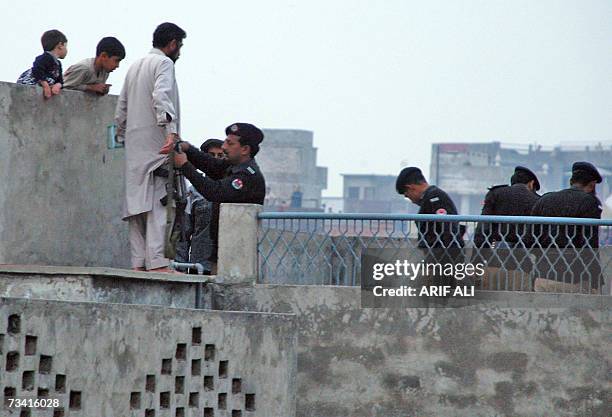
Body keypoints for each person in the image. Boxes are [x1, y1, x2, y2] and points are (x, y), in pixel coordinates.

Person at [114, 22, 186, 272]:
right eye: (180, 46)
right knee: (159, 201)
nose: (180, 52)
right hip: (157, 146)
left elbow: (120, 109)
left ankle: (138, 262)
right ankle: (157, 262)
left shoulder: (135, 66)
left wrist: (123, 137)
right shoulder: (164, 63)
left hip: (135, 147)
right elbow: (161, 96)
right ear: (173, 43)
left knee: (136, 206)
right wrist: (171, 132)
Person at [173, 123, 266, 273]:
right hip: (222, 251)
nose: (224, 147)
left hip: (237, 255)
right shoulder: (233, 167)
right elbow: (211, 165)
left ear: (245, 149)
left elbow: (215, 192)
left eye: (230, 143)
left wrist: (184, 165)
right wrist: (188, 149)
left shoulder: (246, 176)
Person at [530, 162, 603, 293]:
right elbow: (589, 245)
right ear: (592, 185)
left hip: (543, 275)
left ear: (571, 180)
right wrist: (595, 280)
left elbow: (530, 238)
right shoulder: (589, 202)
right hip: (575, 278)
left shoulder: (545, 199)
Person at [472, 166, 540, 291]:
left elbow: (483, 230)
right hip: (523, 260)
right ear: (531, 184)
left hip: (495, 257)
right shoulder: (537, 200)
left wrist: (476, 261)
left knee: (490, 302)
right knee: (517, 301)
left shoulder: (496, 194)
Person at [395, 167, 465, 288]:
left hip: (443, 258)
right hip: (437, 256)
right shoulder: (429, 198)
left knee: (440, 296)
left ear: (411, 187)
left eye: (407, 195)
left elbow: (448, 230)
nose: (410, 200)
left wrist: (444, 262)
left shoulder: (435, 198)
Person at [175, 139, 225, 274]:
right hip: (199, 268)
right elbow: (183, 234)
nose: (215, 159)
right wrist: (180, 268)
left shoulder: (231, 188)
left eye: (220, 156)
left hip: (227, 267)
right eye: (211, 155)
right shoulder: (193, 193)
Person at [17, 30, 68, 99]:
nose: (66, 50)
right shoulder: (44, 58)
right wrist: (45, 85)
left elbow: (60, 81)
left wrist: (57, 85)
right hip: (30, 83)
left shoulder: (58, 64)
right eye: (66, 46)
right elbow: (37, 71)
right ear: (60, 45)